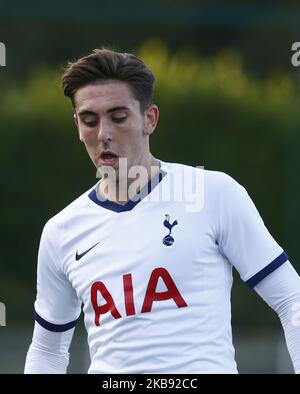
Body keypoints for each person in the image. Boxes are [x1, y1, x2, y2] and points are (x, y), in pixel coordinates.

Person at [24, 48, 300, 374]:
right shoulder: (61, 231)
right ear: (77, 126)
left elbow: (290, 300)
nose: (103, 134)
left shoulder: (214, 194)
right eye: (89, 120)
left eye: (118, 117)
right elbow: (48, 349)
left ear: (149, 119)